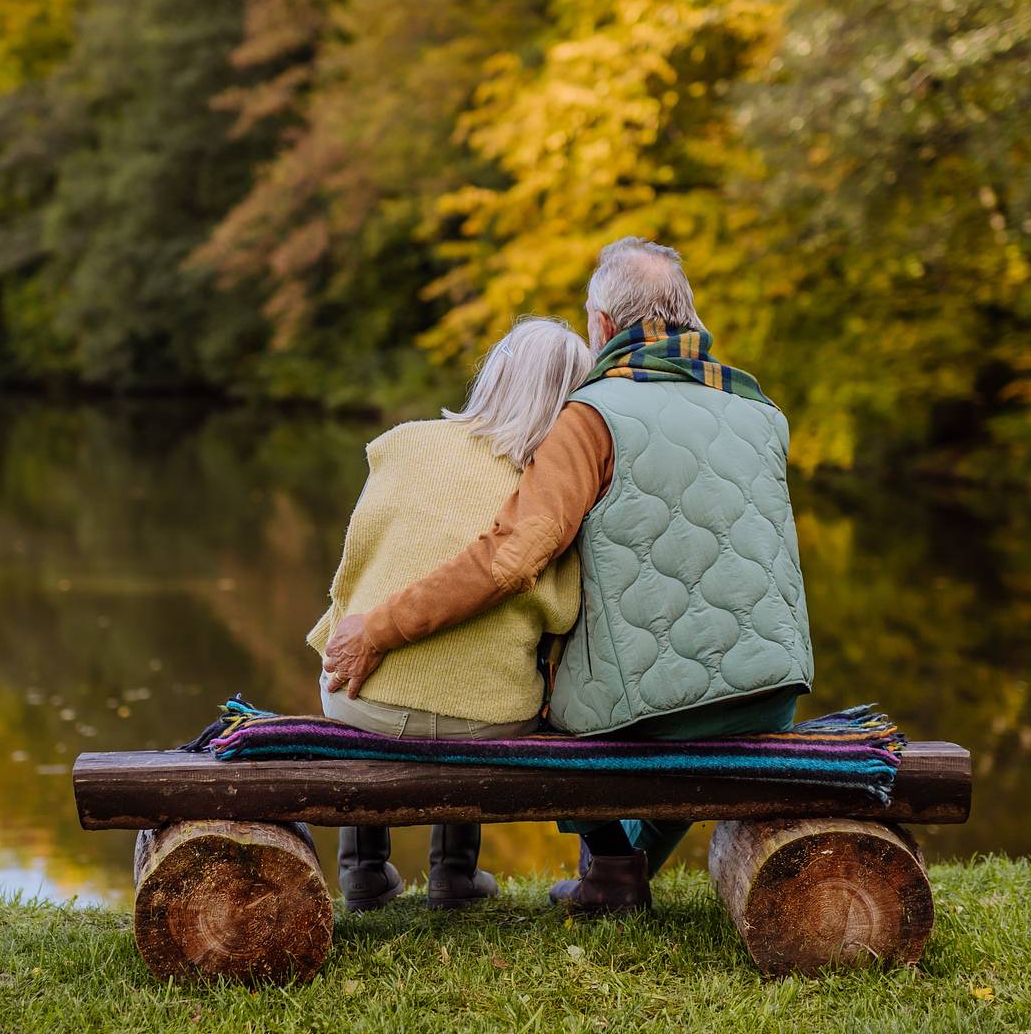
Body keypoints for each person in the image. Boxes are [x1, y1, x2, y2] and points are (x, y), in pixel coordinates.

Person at [324, 237, 814, 916]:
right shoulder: (762, 413)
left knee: (564, 695)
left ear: (606, 327)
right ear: (689, 317)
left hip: (655, 713)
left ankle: (613, 869)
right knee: (685, 686)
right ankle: (622, 872)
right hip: (775, 693)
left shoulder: (592, 418)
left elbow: (513, 559)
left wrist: (380, 628)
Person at [308, 317, 591, 912]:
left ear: (495, 374)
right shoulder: (550, 494)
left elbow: (355, 567)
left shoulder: (405, 443)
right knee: (495, 673)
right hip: (490, 725)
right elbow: (562, 614)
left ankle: (362, 869)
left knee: (348, 672)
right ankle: (454, 876)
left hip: (366, 702)